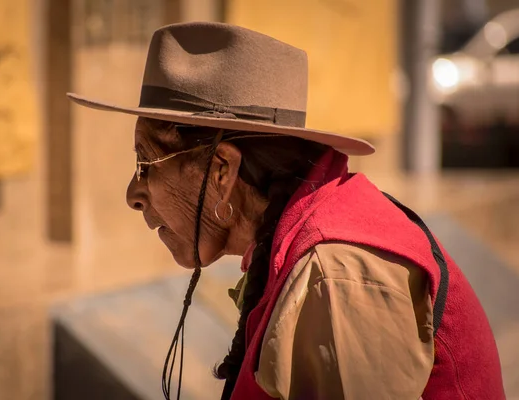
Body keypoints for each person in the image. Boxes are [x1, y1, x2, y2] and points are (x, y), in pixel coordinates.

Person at [68, 22, 505, 400]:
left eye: (147, 163)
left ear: (222, 169)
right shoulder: (306, 239)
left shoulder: (336, 274)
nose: (133, 193)